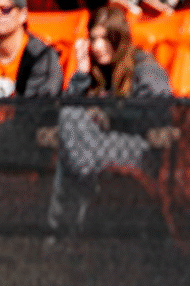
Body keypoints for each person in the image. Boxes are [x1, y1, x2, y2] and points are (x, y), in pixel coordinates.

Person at [47, 5, 172, 232]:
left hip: (137, 146)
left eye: (105, 39)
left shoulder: (145, 69)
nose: (97, 47)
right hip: (95, 147)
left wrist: (111, 116)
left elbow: (157, 114)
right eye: (93, 39)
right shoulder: (96, 72)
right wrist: (82, 72)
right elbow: (66, 111)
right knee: (69, 115)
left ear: (119, 38)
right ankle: (71, 213)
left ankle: (58, 227)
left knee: (68, 156)